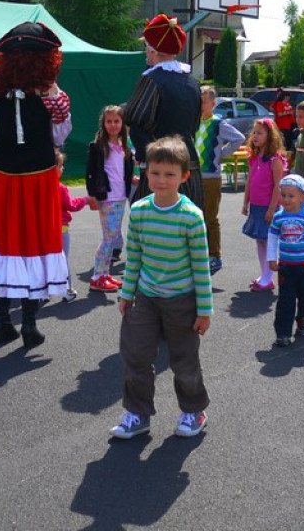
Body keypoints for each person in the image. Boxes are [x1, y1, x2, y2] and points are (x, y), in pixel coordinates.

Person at [0, 21, 73, 350]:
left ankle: (1, 317)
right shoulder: (51, 95)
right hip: (40, 178)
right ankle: (28, 323)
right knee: (35, 243)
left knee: (5, 241)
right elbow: (60, 132)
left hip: (2, 176)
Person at [110, 136, 212, 440]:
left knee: (184, 359)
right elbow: (135, 258)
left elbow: (201, 269)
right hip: (145, 297)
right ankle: (137, 414)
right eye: (155, 173)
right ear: (146, 172)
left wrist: (204, 311)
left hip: (182, 300)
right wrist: (127, 294)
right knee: (136, 355)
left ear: (184, 176)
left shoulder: (191, 217)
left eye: (170, 174)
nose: (162, 180)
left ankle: (193, 410)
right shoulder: (140, 211)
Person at [124, 14, 203, 210]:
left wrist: (147, 163)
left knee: (157, 229)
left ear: (153, 49)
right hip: (189, 169)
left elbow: (136, 123)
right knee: (187, 228)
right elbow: (194, 125)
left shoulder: (151, 80)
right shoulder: (192, 82)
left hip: (162, 173)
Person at [267, 174, 304, 347]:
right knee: (285, 301)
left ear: (302, 197)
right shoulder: (278, 217)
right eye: (283, 195)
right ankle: (283, 333)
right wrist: (271, 258)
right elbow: (272, 238)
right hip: (286, 268)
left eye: (291, 196)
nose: (286, 199)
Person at [196, 86, 246, 273]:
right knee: (195, 218)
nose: (200, 104)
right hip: (193, 176)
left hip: (211, 177)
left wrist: (222, 154)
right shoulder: (194, 122)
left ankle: (215, 256)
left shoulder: (218, 123)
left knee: (210, 218)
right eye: (199, 100)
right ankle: (199, 254)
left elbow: (238, 138)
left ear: (212, 104)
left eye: (204, 101)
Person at [86, 105, 135, 293]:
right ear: (103, 123)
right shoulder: (98, 146)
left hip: (121, 195)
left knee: (112, 236)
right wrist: (93, 195)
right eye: (109, 121)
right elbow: (90, 173)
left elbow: (123, 169)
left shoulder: (124, 144)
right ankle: (97, 276)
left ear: (122, 123)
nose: (113, 125)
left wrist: (131, 178)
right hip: (107, 197)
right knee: (109, 238)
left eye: (116, 121)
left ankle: (105, 274)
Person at [243, 118, 287, 291]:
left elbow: (278, 185)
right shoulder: (254, 157)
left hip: (268, 207)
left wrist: (272, 209)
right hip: (256, 205)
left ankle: (268, 277)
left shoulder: (275, 159)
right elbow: (249, 181)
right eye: (254, 132)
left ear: (270, 136)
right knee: (260, 241)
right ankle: (264, 274)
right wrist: (245, 201)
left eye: (260, 133)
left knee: (269, 241)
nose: (255, 136)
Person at [57, 150, 94, 303]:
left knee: (45, 261)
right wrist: (85, 200)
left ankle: (42, 293)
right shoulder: (61, 188)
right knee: (62, 260)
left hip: (43, 231)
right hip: (60, 230)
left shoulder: (37, 188)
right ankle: (67, 290)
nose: (62, 168)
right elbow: (71, 205)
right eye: (60, 165)